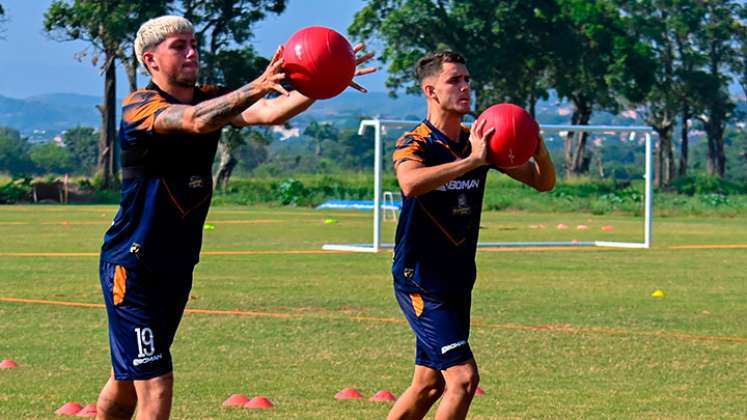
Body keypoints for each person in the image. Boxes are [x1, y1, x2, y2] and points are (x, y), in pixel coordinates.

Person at [95, 15, 374, 420]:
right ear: (151, 60)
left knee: (127, 376)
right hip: (133, 267)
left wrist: (322, 83)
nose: (192, 52)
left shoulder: (209, 95)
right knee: (155, 386)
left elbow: (269, 113)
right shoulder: (140, 105)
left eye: (193, 43)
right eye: (179, 46)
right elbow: (195, 120)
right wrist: (256, 84)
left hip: (175, 265)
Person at [387, 51, 556, 420]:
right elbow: (410, 183)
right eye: (454, 81)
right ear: (430, 90)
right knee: (463, 380)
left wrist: (538, 148)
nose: (465, 87)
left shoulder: (479, 140)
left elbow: (543, 182)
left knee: (428, 385)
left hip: (458, 279)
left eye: (467, 80)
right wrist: (473, 162)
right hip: (421, 280)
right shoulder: (415, 142)